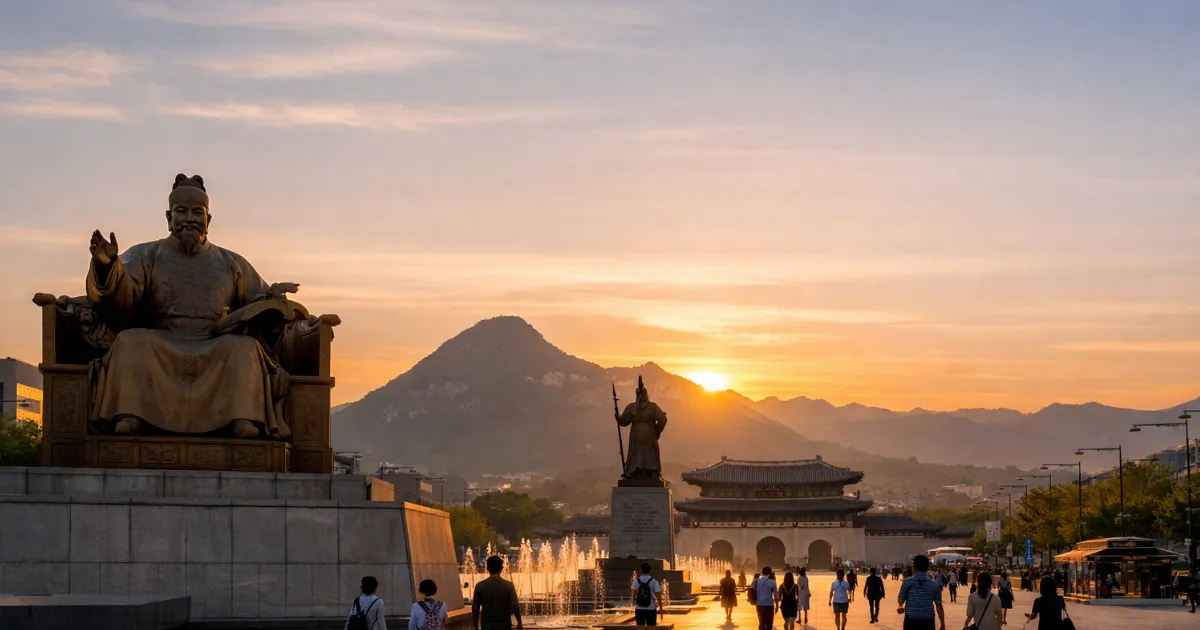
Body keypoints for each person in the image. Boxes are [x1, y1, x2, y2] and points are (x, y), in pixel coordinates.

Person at [473, 556, 522, 630]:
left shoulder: (480, 586)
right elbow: (515, 606)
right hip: (504, 626)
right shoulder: (509, 586)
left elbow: (475, 608)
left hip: (487, 626)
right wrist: (519, 622)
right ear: (501, 569)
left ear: (487, 568)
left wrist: (475, 626)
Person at [897, 555, 945, 630]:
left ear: (914, 567)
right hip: (928, 622)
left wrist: (900, 605)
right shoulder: (934, 585)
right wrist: (942, 624)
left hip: (911, 621)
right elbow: (939, 605)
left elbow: (901, 599)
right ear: (927, 568)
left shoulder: (907, 582)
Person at [632, 562, 664, 630]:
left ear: (641, 570)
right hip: (651, 608)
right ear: (650, 570)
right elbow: (658, 596)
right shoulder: (653, 581)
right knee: (651, 628)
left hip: (639, 608)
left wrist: (635, 601)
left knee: (640, 628)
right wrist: (661, 608)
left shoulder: (636, 581)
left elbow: (633, 595)